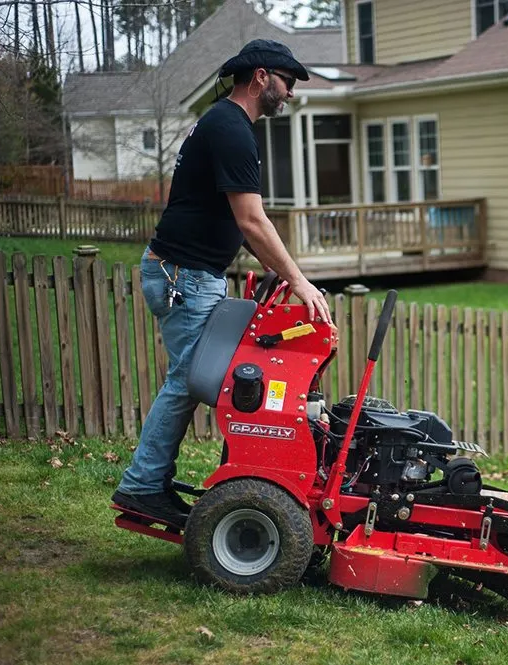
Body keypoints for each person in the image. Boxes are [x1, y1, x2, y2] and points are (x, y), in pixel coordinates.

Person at [111, 40, 331, 527]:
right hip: (184, 276)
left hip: (189, 273)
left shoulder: (224, 123)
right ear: (261, 77)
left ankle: (161, 482)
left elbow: (242, 221)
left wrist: (276, 270)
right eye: (288, 82)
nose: (291, 93)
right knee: (191, 379)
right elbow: (251, 220)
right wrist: (299, 281)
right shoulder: (230, 128)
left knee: (203, 378)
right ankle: (143, 486)